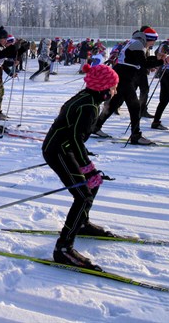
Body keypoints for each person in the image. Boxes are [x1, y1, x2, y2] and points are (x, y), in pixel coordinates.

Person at [42, 63, 119, 270]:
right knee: (83, 195)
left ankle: (82, 223)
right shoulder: (88, 106)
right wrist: (87, 166)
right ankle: (63, 249)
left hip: (64, 148)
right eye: (113, 87)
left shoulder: (87, 98)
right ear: (103, 89)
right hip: (59, 151)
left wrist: (88, 167)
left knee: (93, 185)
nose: (115, 91)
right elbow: (76, 139)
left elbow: (75, 139)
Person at [92, 26, 163, 145]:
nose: (154, 43)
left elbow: (140, 59)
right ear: (148, 38)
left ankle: (96, 126)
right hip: (124, 78)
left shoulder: (136, 42)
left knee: (113, 104)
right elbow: (144, 63)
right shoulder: (138, 44)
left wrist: (157, 58)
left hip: (122, 76)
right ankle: (135, 135)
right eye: (153, 40)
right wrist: (161, 61)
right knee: (135, 107)